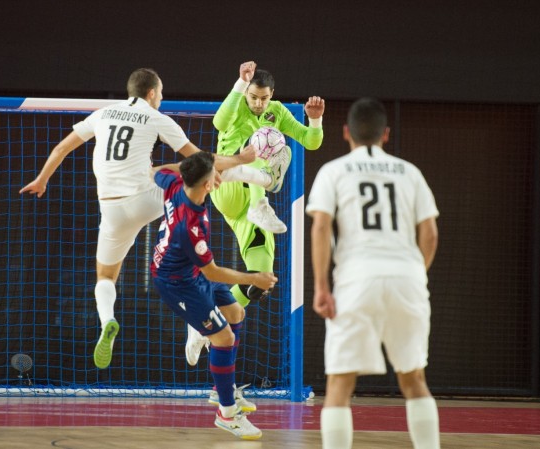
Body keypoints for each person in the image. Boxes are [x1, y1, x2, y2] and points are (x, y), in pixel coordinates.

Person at [19, 68, 275, 369]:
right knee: (194, 171)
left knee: (105, 277)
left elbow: (62, 147)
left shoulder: (102, 114)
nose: (162, 98)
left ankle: (107, 320)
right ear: (152, 93)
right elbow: (201, 158)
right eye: (161, 93)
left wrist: (42, 180)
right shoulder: (156, 117)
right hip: (145, 198)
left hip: (111, 208)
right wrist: (240, 159)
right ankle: (260, 178)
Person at [185, 61, 325, 407]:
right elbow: (219, 122)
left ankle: (204, 324)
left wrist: (315, 120)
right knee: (267, 141)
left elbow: (311, 142)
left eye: (264, 98)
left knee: (261, 280)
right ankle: (261, 199)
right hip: (228, 188)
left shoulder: (277, 112)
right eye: (254, 97)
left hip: (248, 208)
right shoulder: (237, 106)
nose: (259, 103)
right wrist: (239, 84)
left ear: (272, 95)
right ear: (247, 93)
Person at [306, 97, 441, 449]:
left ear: (346, 132)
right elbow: (429, 233)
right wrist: (416, 273)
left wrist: (321, 287)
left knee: (340, 383)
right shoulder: (410, 172)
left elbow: (321, 227)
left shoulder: (333, 170)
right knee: (414, 378)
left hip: (357, 279)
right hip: (407, 278)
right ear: (386, 134)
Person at [150, 151, 277, 440]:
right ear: (208, 184)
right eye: (215, 175)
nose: (220, 176)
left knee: (236, 312)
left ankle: (222, 390)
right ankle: (227, 413)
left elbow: (156, 171)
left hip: (190, 272)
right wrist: (254, 278)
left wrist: (242, 159)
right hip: (178, 284)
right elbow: (214, 273)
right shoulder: (190, 226)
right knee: (224, 338)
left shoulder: (175, 183)